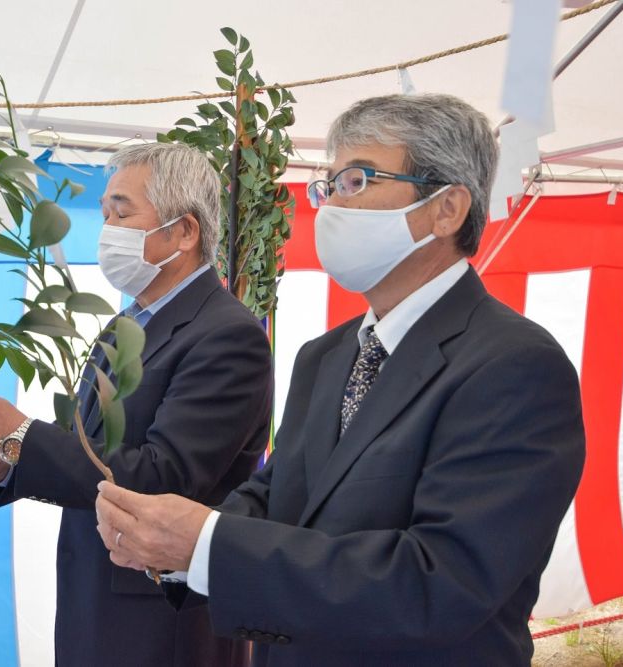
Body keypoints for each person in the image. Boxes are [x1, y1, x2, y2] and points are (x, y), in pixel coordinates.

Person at [95, 94, 586, 666]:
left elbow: (444, 581)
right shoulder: (325, 355)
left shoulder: (514, 365)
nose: (330, 206)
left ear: (447, 208)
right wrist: (175, 544)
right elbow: (275, 494)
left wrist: (209, 545)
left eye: (356, 181)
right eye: (326, 187)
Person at [0, 142, 273, 666]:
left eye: (122, 211)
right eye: (105, 214)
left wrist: (21, 436)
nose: (107, 229)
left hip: (161, 624)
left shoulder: (228, 335)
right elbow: (91, 452)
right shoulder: (124, 327)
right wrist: (5, 461)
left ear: (184, 232)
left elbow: (162, 476)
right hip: (91, 602)